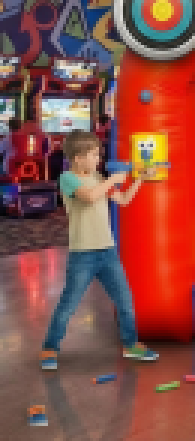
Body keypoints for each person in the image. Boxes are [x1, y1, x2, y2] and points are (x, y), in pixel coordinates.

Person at [39, 130, 159, 371]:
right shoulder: (67, 178)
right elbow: (90, 197)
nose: (98, 159)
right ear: (78, 157)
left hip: (108, 252)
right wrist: (113, 180)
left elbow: (123, 200)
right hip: (82, 254)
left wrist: (140, 179)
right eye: (94, 155)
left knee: (125, 301)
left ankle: (131, 345)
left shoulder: (99, 177)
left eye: (98, 154)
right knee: (68, 305)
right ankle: (49, 348)